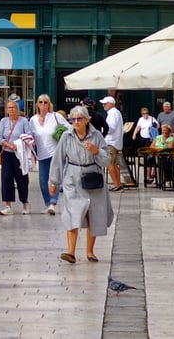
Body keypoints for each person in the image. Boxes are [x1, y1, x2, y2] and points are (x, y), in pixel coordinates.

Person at [48, 105, 113, 264]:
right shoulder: (66, 136)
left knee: (94, 214)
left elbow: (107, 160)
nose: (76, 122)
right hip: (72, 177)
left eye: (79, 119)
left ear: (86, 120)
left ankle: (90, 251)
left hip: (93, 177)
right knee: (72, 213)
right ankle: (70, 252)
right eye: (73, 119)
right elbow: (58, 159)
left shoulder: (96, 136)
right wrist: (54, 181)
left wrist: (96, 151)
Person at [28, 95, 68, 215]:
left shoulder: (56, 116)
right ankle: (48, 203)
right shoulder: (33, 120)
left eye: (46, 102)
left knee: (54, 179)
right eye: (41, 102)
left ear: (49, 104)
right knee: (42, 180)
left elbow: (69, 128)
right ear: (37, 104)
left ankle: (52, 203)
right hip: (41, 154)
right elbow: (30, 136)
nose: (43, 104)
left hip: (55, 152)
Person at [0, 98, 33, 215]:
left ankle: (25, 202)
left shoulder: (23, 121)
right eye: (9, 108)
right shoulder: (3, 121)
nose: (11, 110)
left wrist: (18, 144)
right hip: (7, 153)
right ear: (6, 110)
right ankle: (8, 205)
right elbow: (0, 137)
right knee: (6, 178)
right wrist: (8, 145)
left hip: (20, 154)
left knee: (22, 179)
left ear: (17, 109)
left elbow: (29, 135)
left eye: (13, 107)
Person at [100, 96, 128, 190]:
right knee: (114, 164)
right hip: (115, 142)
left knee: (109, 164)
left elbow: (110, 128)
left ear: (111, 104)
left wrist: (102, 130)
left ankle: (116, 185)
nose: (103, 105)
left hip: (111, 142)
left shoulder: (112, 113)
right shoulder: (115, 112)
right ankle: (118, 183)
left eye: (105, 103)